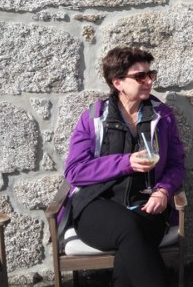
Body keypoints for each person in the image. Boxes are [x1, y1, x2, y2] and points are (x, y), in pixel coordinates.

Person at [63, 46, 185, 287]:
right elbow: (74, 171)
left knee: (132, 240)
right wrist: (125, 163)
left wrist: (163, 190)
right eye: (140, 76)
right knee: (130, 228)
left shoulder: (163, 116)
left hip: (148, 203)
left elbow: (177, 165)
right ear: (117, 82)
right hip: (97, 204)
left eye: (151, 74)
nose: (148, 81)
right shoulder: (94, 118)